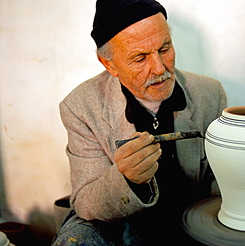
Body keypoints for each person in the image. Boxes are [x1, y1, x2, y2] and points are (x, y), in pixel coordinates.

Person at [53, 0, 227, 245]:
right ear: (109, 64)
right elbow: (85, 202)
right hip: (123, 225)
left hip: (192, 218)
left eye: (164, 48)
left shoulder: (210, 93)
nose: (159, 68)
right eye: (139, 58)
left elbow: (220, 180)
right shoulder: (81, 107)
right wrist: (126, 179)